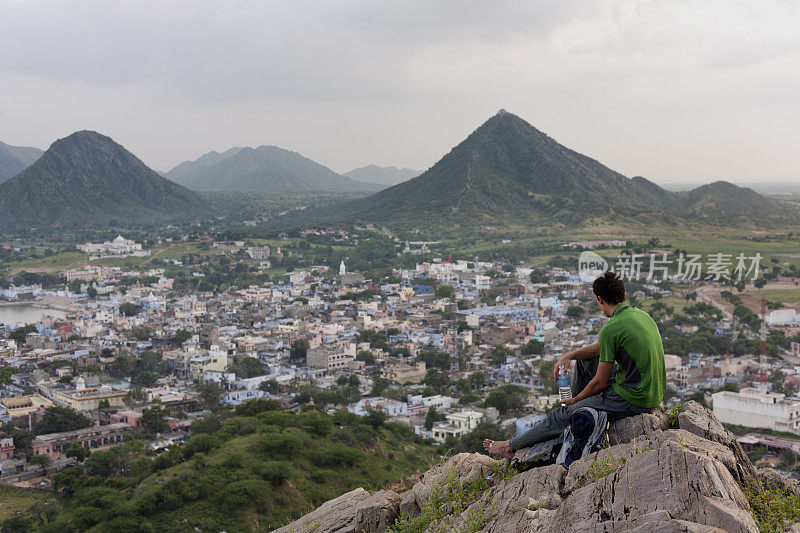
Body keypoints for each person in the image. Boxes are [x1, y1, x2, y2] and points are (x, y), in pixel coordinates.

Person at [484, 271, 666, 460]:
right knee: (585, 360)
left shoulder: (612, 327)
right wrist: (569, 356)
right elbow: (600, 349)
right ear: (624, 295)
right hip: (651, 392)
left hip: (633, 399)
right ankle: (575, 415)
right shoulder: (642, 316)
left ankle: (510, 446)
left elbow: (600, 383)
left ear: (599, 299)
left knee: (558, 415)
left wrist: (577, 399)